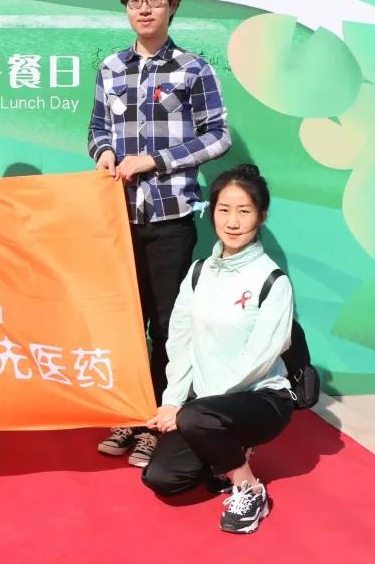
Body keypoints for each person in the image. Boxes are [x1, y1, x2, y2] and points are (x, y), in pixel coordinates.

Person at [88, 0, 231, 467]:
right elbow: (97, 130)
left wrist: (156, 160)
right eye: (135, 1)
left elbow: (218, 135)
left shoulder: (193, 69)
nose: (144, 9)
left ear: (173, 5)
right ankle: (129, 412)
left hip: (171, 215)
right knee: (127, 320)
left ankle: (159, 422)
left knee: (170, 323)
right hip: (118, 217)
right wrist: (105, 152)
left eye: (154, 0)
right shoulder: (110, 68)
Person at [140, 164, 294, 534]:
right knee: (161, 477)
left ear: (261, 215)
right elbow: (180, 342)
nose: (233, 222)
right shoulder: (199, 272)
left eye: (244, 211)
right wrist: (173, 402)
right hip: (204, 407)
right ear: (212, 212)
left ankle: (249, 489)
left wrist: (191, 411)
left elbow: (259, 359)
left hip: (260, 399)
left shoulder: (272, 280)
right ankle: (224, 450)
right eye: (224, 210)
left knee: (198, 418)